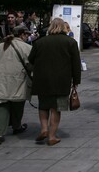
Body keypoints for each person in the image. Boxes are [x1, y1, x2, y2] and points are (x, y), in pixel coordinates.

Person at [28, 18, 81, 146]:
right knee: (56, 108)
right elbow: (76, 64)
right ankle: (52, 136)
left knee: (43, 105)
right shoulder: (70, 42)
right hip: (61, 81)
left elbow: (31, 59)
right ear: (63, 27)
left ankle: (44, 129)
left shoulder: (40, 42)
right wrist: (76, 81)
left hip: (42, 79)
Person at [0, 25, 32, 145]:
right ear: (22, 34)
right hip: (18, 81)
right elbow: (31, 66)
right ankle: (16, 126)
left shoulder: (1, 46)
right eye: (27, 34)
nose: (28, 37)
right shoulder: (27, 47)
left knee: (1, 105)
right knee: (17, 104)